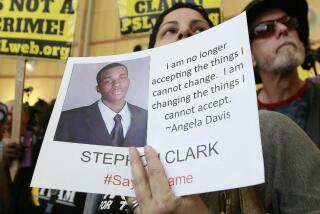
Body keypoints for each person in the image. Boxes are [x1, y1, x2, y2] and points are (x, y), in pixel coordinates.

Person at [107, 2, 320, 214]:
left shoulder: (271, 132)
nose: (184, 32)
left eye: (200, 30)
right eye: (170, 30)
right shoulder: (113, 144)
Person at [245, 0, 320, 148]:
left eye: (289, 21)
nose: (283, 28)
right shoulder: (241, 119)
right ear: (251, 56)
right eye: (265, 28)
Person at [54, 63, 148, 147]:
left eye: (122, 78)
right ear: (98, 88)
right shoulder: (68, 119)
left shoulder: (146, 117)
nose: (116, 84)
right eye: (108, 81)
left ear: (128, 82)